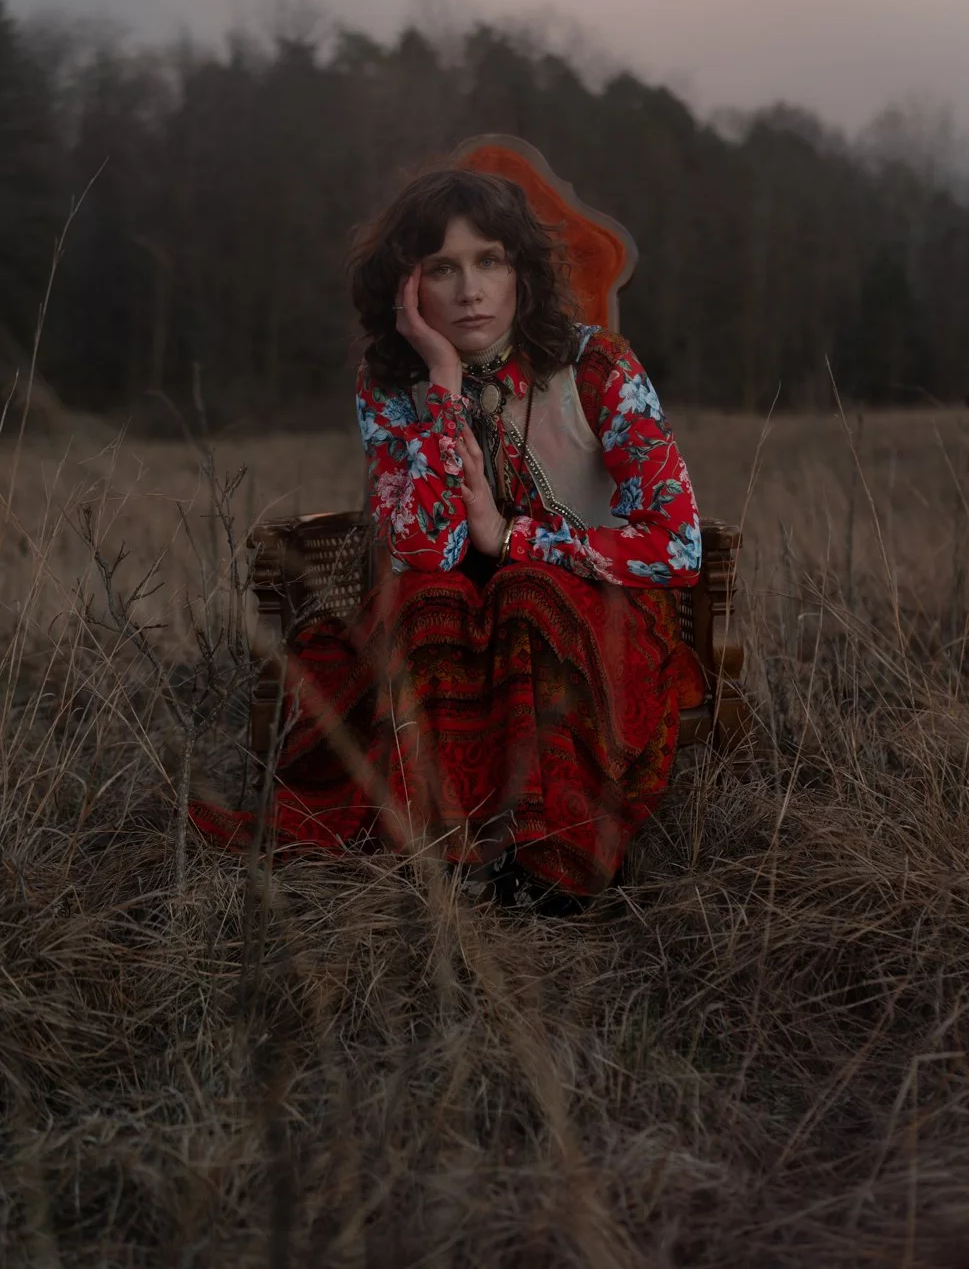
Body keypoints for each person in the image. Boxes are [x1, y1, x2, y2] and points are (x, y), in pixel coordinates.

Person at [192, 166, 706, 910]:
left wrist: (514, 539)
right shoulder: (391, 386)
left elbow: (676, 546)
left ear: (519, 273)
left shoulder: (599, 369)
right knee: (428, 597)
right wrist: (440, 379)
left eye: (488, 261)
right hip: (453, 615)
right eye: (442, 268)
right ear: (409, 290)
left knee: (526, 591)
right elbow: (420, 550)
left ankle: (551, 854)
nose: (468, 290)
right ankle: (446, 850)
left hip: (592, 614)